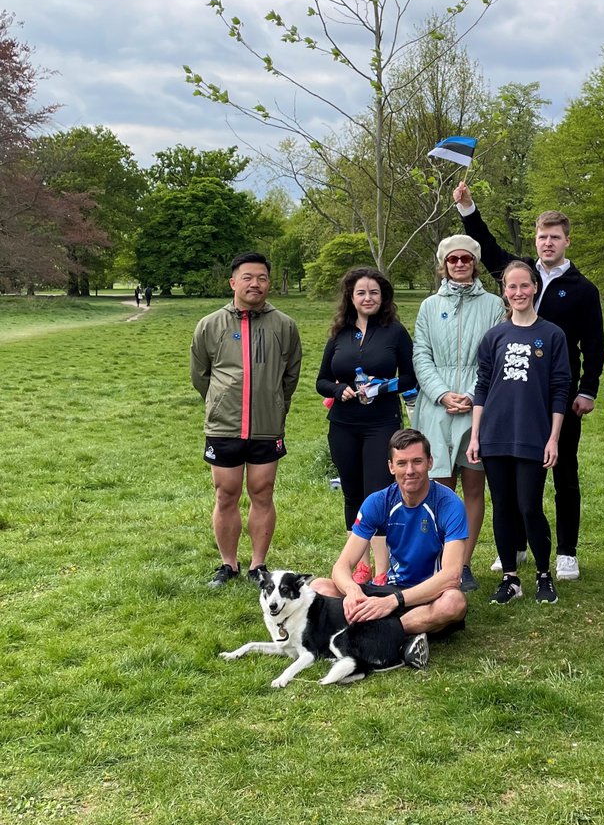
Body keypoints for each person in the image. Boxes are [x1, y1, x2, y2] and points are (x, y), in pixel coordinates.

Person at [454, 181, 604, 582]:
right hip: (514, 399)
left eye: (555, 237)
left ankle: (567, 551)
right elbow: (484, 245)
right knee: (516, 479)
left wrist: (588, 388)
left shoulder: (583, 289)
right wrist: (468, 209)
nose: (547, 243)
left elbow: (593, 343)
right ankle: (516, 547)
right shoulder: (518, 272)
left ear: (566, 241)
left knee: (563, 472)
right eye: (542, 237)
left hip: (559, 398)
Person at [190, 252, 302, 587]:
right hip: (224, 425)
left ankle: (257, 565)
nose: (255, 284)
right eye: (248, 277)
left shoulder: (284, 325)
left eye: (262, 278)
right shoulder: (210, 325)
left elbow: (291, 375)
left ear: (269, 282)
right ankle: (228, 565)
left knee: (262, 491)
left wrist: (274, 404)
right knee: (226, 494)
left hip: (267, 427)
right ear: (233, 282)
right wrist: (220, 402)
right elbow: (201, 375)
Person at [312, 428, 469, 659]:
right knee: (318, 587)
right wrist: (353, 590)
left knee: (454, 603)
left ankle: (375, 633)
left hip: (428, 595)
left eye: (417, 462)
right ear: (391, 467)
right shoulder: (378, 501)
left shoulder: (449, 503)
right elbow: (341, 566)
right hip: (390, 588)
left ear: (430, 463)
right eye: (402, 463)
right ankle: (402, 634)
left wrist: (392, 602)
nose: (410, 470)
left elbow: (451, 576)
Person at [467, 260, 571, 605]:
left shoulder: (553, 334)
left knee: (529, 506)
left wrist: (554, 437)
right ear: (504, 293)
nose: (518, 292)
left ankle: (544, 573)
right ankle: (510, 577)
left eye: (524, 285)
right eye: (511, 287)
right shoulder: (494, 336)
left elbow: (560, 388)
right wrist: (475, 435)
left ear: (535, 287)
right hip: (495, 434)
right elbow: (483, 386)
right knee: (503, 507)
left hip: (533, 435)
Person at [410, 235, 504, 592]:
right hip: (436, 406)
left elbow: (494, 353)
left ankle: (463, 564)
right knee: (437, 485)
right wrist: (441, 393)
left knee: (473, 485)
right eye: (453, 260)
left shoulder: (494, 305)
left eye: (466, 258)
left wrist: (469, 394)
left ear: (475, 262)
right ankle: (436, 561)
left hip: (478, 403)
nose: (460, 264)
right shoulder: (429, 306)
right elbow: (421, 354)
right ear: (444, 264)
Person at [315, 267, 417, 585]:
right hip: (344, 424)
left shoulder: (395, 332)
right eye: (361, 292)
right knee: (352, 493)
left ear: (383, 296)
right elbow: (321, 380)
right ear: (351, 297)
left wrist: (381, 386)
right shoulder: (339, 334)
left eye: (374, 292)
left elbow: (411, 379)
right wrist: (337, 389)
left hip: (381, 424)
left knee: (377, 494)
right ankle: (358, 564)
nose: (368, 297)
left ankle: (383, 569)